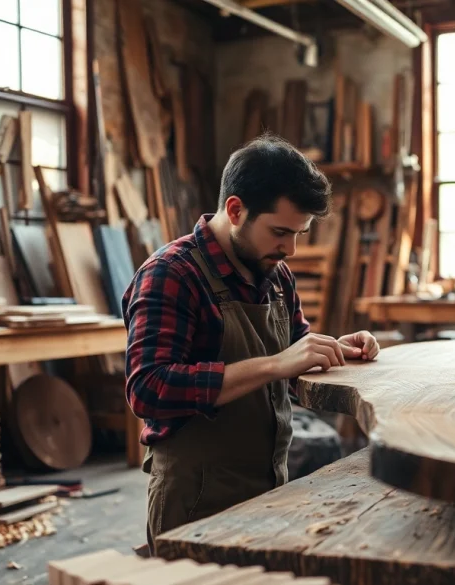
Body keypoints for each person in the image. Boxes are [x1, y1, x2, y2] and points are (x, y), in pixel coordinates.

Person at [123, 135, 381, 553]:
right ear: (235, 209)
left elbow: (293, 359)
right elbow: (148, 390)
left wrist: (336, 352)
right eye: (280, 232)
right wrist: (274, 365)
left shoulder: (274, 273)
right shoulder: (171, 274)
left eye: (299, 233)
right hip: (195, 499)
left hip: (271, 484)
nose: (291, 249)